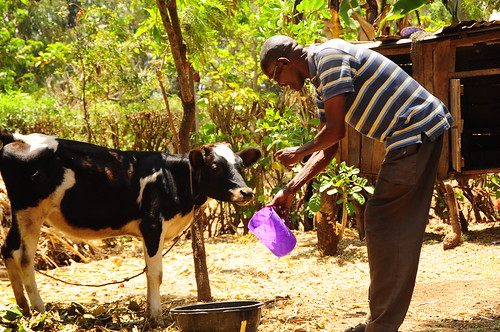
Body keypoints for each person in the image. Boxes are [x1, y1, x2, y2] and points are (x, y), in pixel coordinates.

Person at [260, 35, 454, 332]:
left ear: (284, 63)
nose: (281, 84)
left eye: (277, 76)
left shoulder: (329, 57)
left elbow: (335, 131)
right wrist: (292, 188)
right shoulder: (321, 79)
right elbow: (329, 147)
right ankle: (380, 322)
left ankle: (381, 326)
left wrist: (298, 151)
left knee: (383, 220)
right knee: (384, 220)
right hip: (409, 135)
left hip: (415, 129)